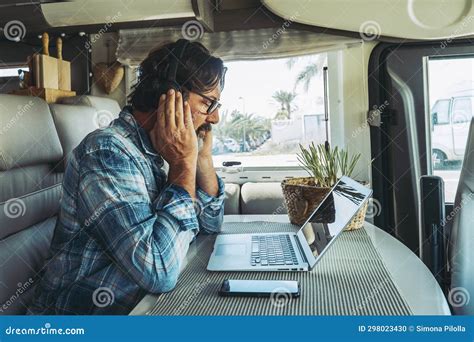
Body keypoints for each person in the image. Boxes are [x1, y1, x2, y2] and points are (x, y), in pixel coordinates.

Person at [28, 39, 226, 315]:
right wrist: (183, 165)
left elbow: (210, 225)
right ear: (172, 97)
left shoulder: (159, 150)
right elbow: (158, 270)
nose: (215, 117)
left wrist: (201, 159)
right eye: (208, 103)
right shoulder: (107, 152)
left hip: (144, 308)